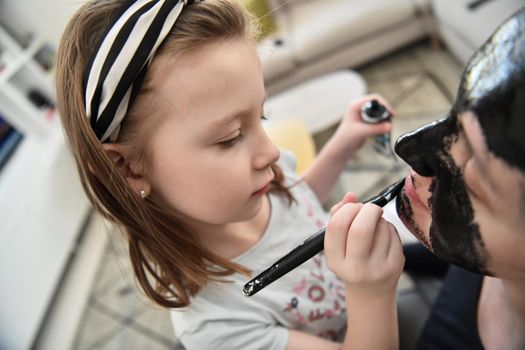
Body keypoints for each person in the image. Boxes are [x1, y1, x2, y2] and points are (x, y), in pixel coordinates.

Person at [55, 0, 404, 349]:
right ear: (127, 167)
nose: (270, 152)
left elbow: (298, 203)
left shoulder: (255, 182)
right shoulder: (217, 326)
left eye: (262, 116)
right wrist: (371, 292)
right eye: (230, 137)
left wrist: (342, 144)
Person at [394, 7, 525, 349]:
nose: (408, 147)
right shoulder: (484, 258)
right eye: (454, 115)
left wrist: (369, 294)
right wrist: (401, 256)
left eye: (477, 171)